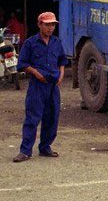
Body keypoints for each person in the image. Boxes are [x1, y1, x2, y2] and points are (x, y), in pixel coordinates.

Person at [12, 12, 67, 163]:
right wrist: (36, 73)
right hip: (37, 85)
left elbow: (62, 60)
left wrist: (61, 75)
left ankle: (45, 147)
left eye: (53, 25)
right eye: (47, 25)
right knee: (32, 117)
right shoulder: (30, 43)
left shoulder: (57, 42)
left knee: (52, 117)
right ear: (39, 25)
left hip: (53, 86)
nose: (50, 28)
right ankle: (25, 151)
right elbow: (22, 64)